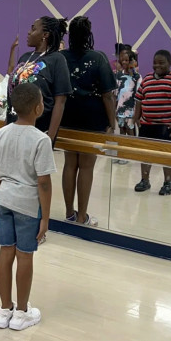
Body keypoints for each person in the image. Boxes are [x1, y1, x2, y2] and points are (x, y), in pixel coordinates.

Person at [0, 83, 55, 331]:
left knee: (6, 251)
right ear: (39, 107)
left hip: (3, 199)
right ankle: (21, 313)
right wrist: (45, 219)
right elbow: (44, 183)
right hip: (27, 204)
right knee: (24, 255)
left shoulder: (2, 133)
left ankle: (4, 310)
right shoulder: (41, 140)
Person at [60, 16, 117, 226]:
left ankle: (68, 213)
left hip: (66, 116)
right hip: (92, 118)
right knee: (86, 167)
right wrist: (112, 123)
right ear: (89, 35)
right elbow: (107, 95)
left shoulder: (60, 57)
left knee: (69, 164)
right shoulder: (98, 58)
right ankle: (82, 216)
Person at [8, 16, 72, 145]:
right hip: (13, 126)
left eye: (33, 29)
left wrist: (50, 138)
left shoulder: (57, 60)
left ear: (45, 35)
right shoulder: (25, 57)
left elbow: (60, 102)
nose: (28, 32)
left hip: (38, 131)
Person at [133, 50, 171, 196]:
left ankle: (168, 182)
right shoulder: (146, 79)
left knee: (168, 155)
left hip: (168, 126)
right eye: (155, 62)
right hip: (147, 125)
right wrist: (136, 117)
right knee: (145, 154)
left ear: (170, 63)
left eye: (161, 62)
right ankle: (145, 180)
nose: (157, 65)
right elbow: (139, 99)